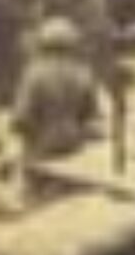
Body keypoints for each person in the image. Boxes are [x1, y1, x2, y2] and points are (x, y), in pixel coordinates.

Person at [11, 18, 103, 162]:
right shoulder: (83, 73)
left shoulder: (34, 74)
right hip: (74, 148)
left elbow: (21, 119)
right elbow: (93, 116)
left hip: (41, 148)